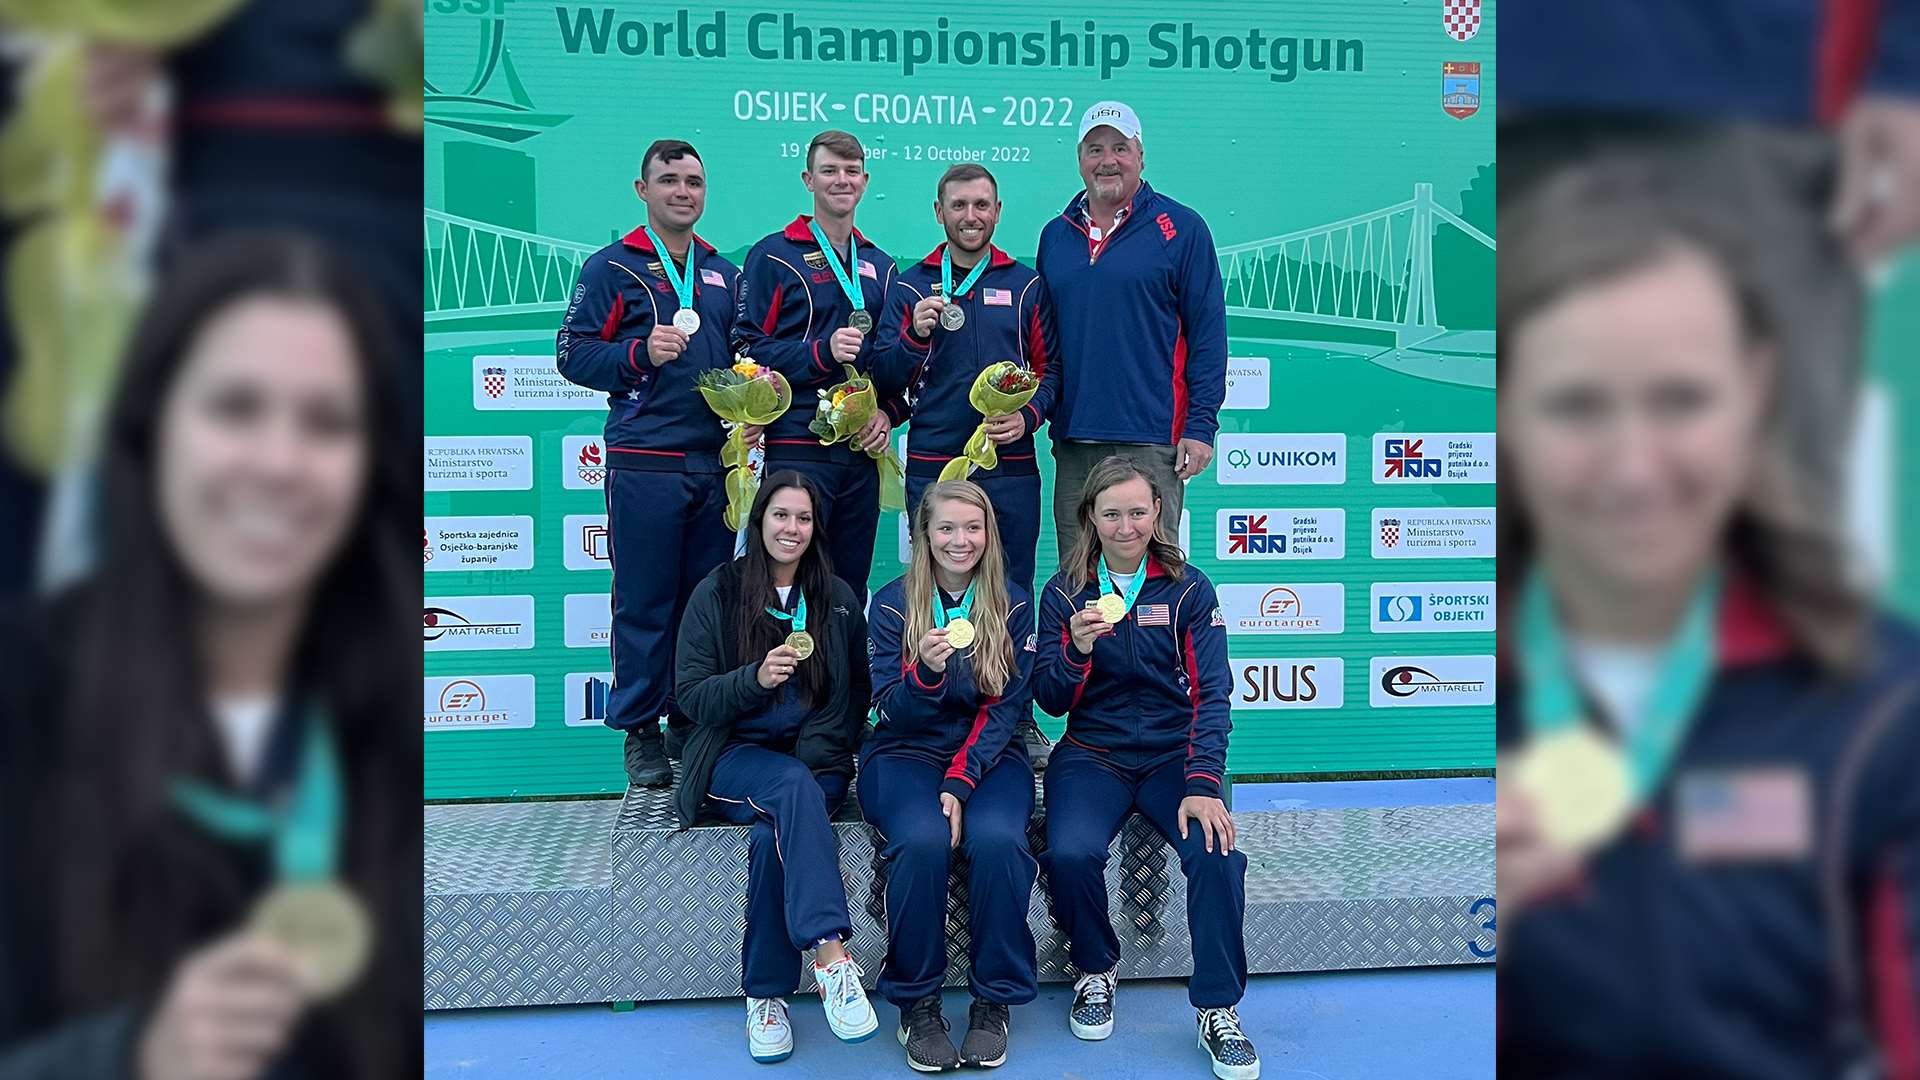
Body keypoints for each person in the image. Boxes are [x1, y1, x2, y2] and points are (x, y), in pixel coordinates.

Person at [1495, 157, 1920, 1076]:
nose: (1634, 468)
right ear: (1505, 412)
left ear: (1757, 392)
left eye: (1680, 400)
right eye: (1577, 406)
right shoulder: (1456, 704)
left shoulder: (1887, 706)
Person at [0, 231, 419, 1078]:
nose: (278, 462)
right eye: (234, 408)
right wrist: (128, 1061)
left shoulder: (394, 705)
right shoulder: (24, 691)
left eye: (327, 422)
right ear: (153, 425)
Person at [1030, 456, 1257, 1080]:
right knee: (1070, 851)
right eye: (1111, 514)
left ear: (1158, 511)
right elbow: (1050, 700)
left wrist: (1205, 784)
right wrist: (1075, 651)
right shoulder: (1063, 591)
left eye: (1137, 511)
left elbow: (1213, 694)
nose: (1126, 525)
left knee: (1215, 852)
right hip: (1092, 754)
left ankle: (1218, 1008)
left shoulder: (1188, 587)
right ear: (1091, 518)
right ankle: (1096, 968)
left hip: (1172, 756)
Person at [672, 471, 878, 1063]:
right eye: (781, 516)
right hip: (735, 760)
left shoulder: (836, 599)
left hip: (816, 765)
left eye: (804, 518)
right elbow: (692, 699)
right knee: (788, 789)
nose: (792, 529)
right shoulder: (717, 591)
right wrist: (754, 680)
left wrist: (815, 754)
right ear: (758, 520)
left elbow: (851, 700)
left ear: (817, 529)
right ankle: (832, 957)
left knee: (773, 836)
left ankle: (766, 997)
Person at [556, 138, 743, 787]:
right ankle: (639, 730)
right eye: (669, 181)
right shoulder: (612, 267)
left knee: (703, 605)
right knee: (644, 601)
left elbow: (741, 357)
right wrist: (638, 352)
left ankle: (690, 718)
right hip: (645, 460)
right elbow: (572, 354)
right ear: (643, 190)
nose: (683, 191)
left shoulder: (723, 273)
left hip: (717, 464)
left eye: (694, 181)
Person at [874, 162, 1060, 767]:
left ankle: (1018, 715)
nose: (971, 216)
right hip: (934, 469)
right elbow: (885, 380)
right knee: (934, 588)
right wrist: (913, 338)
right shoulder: (909, 287)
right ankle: (933, 711)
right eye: (959, 205)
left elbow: (1052, 374)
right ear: (939, 212)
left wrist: (1028, 420)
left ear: (997, 211)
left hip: (1010, 469)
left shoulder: (1027, 285)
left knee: (1012, 593)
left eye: (982, 205)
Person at [861, 480, 1040, 1071]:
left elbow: (1006, 708)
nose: (959, 541)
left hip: (987, 757)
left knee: (996, 841)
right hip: (904, 752)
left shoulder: (1013, 601)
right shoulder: (890, 604)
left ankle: (994, 1001)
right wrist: (927, 676)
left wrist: (960, 782)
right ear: (923, 536)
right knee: (920, 839)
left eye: (972, 528)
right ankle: (917, 1004)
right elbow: (889, 706)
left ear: (989, 534)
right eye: (945, 528)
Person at [1034, 101, 1227, 558]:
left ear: (1141, 156)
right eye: (1095, 148)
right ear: (1080, 159)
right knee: (1078, 576)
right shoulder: (1055, 236)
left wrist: (1201, 426)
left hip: (1153, 439)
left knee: (1154, 581)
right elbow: (1047, 345)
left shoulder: (1183, 229)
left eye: (1120, 148)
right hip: (1077, 439)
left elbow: (1208, 336)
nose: (1108, 160)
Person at [732, 129, 904, 603]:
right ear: (809, 179)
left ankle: (841, 680)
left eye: (851, 172)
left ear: (865, 181)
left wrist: (888, 412)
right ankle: (780, 677)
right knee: (785, 584)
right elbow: (745, 347)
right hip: (796, 448)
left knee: (848, 590)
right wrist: (819, 353)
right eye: (829, 171)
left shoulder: (881, 265)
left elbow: (890, 364)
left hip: (859, 453)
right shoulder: (773, 254)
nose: (841, 181)